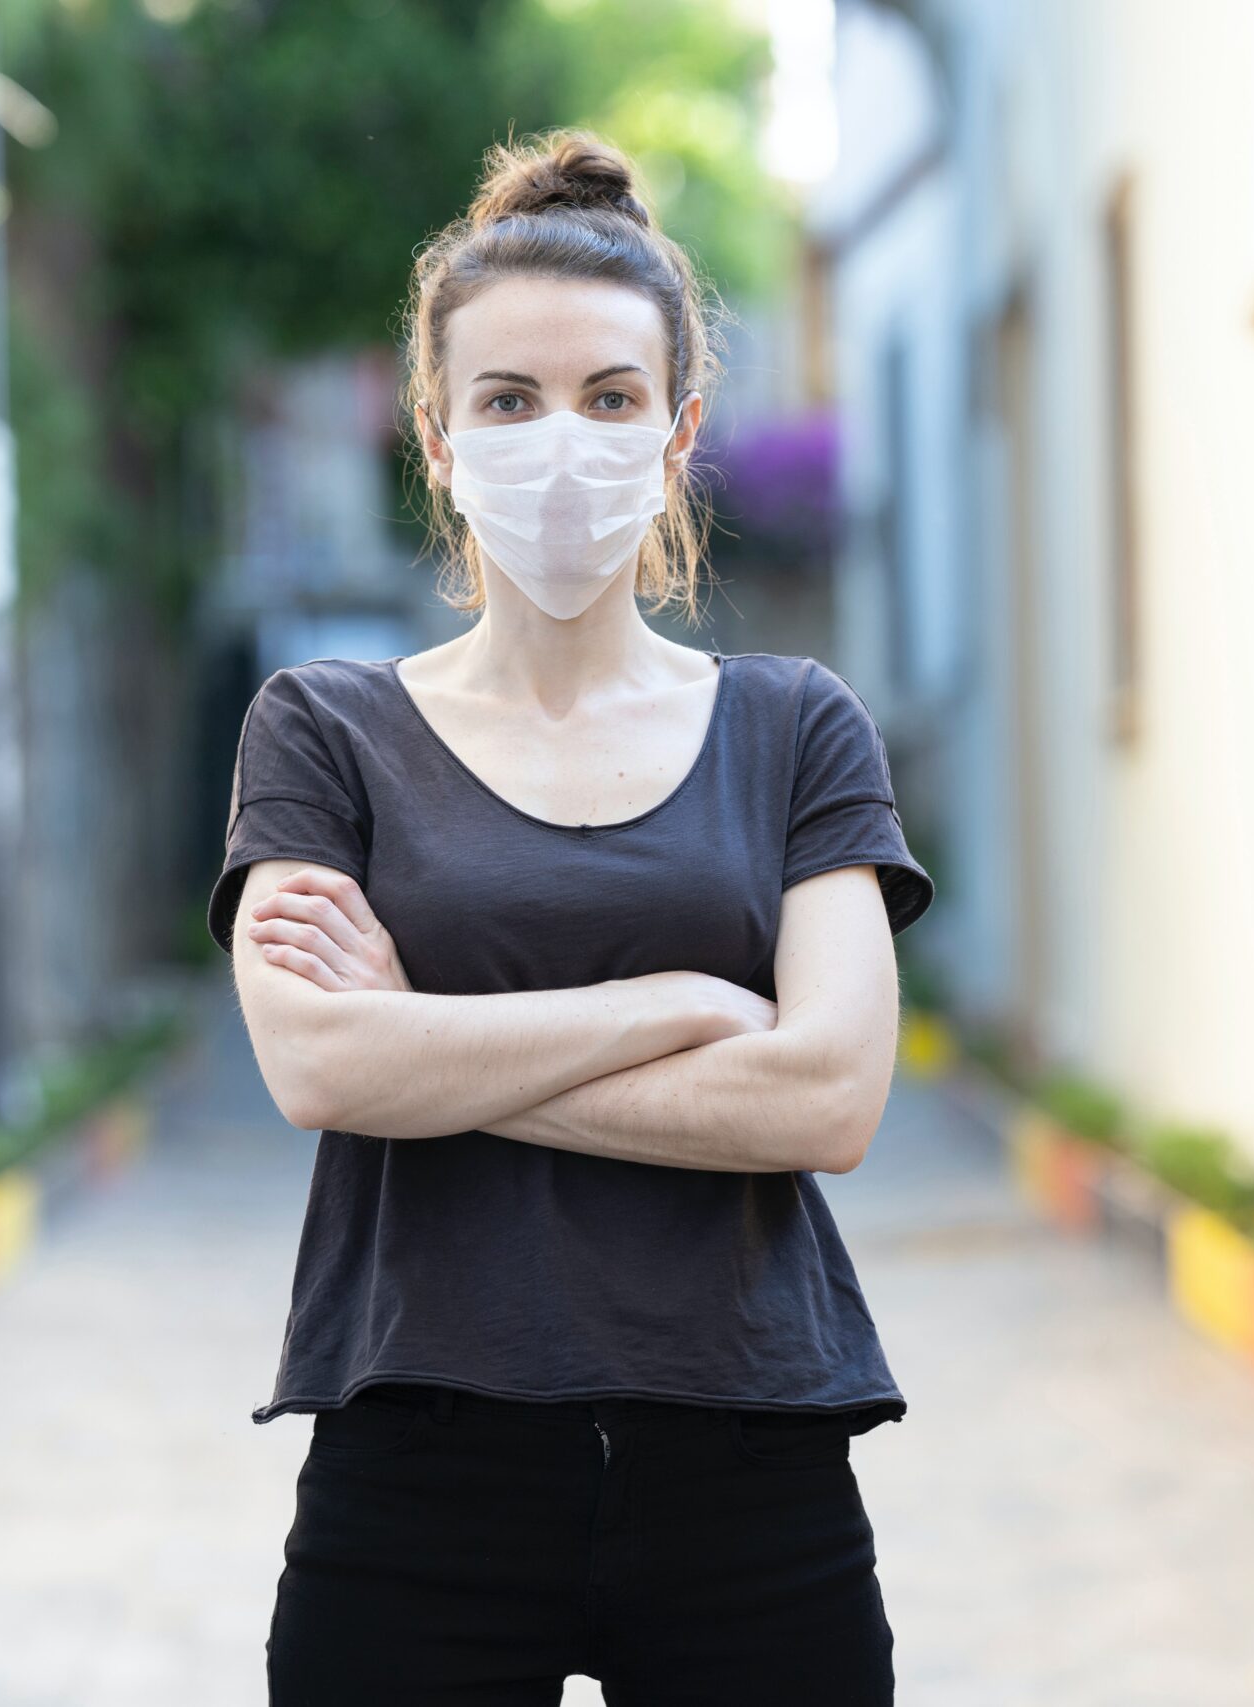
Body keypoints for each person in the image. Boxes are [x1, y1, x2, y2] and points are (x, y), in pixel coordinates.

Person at [206, 128, 934, 1707]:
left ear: (678, 432)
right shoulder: (323, 731)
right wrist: (681, 1001)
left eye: (610, 399)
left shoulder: (796, 726)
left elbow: (827, 1093)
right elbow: (323, 1072)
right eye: (509, 400)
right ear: (437, 434)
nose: (563, 440)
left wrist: (436, 1042)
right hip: (420, 1472)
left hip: (753, 1465)